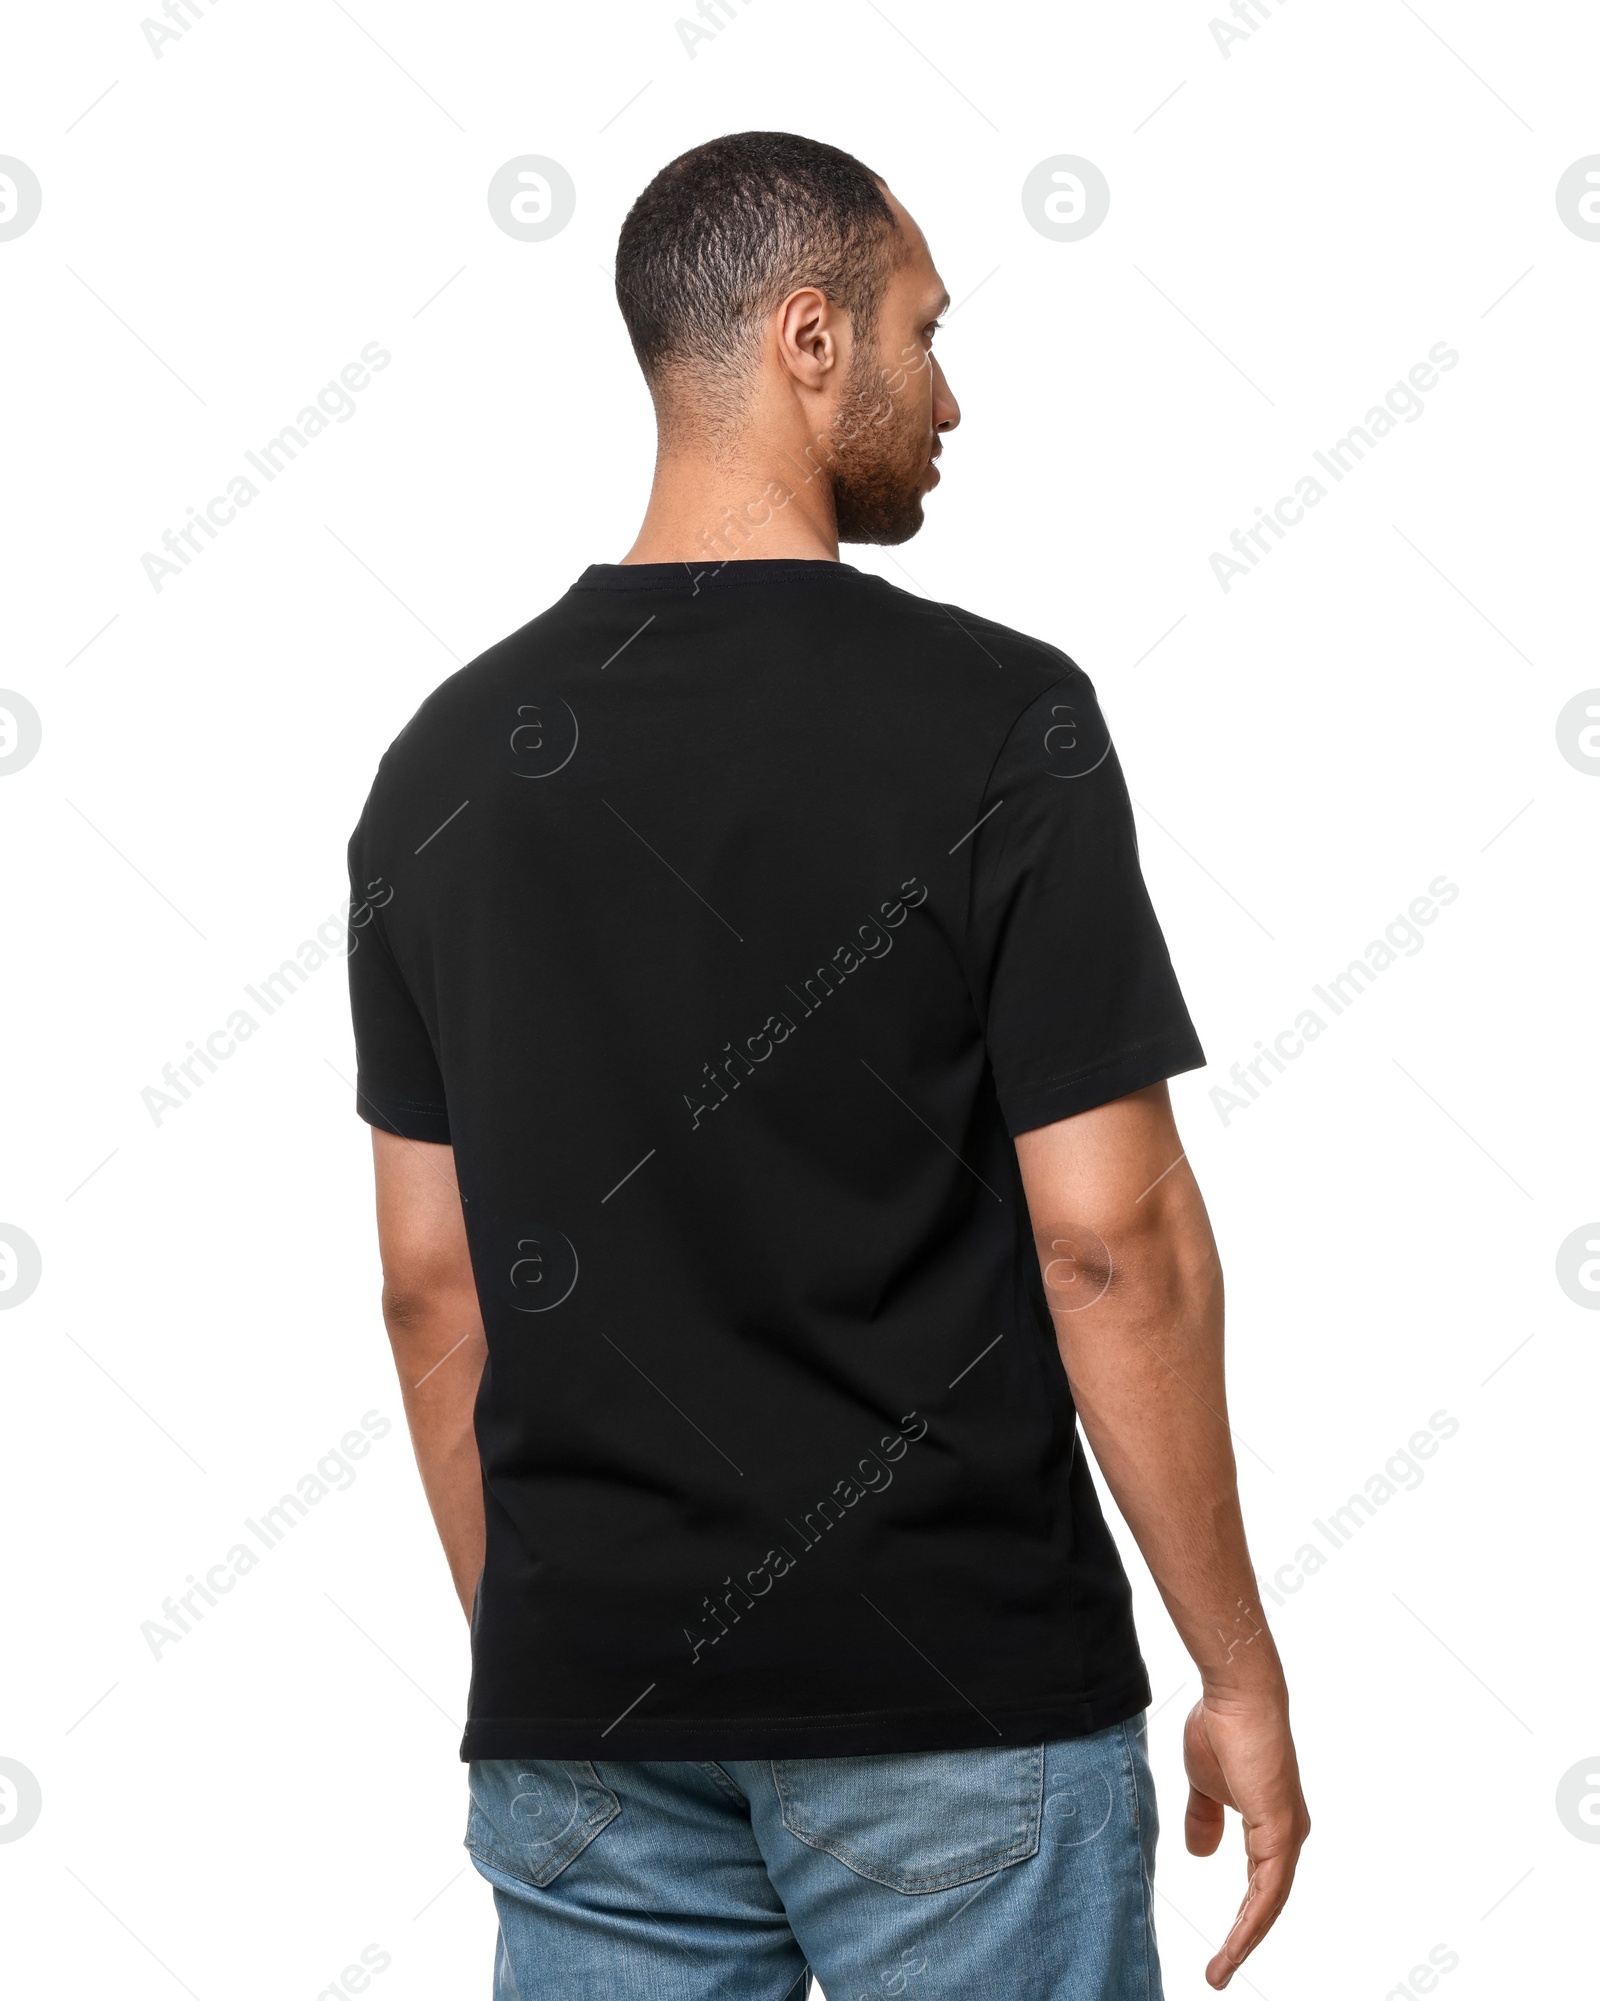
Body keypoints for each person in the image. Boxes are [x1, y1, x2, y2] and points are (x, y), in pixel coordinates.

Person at [346, 129, 1309, 2001]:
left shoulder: (444, 765)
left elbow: (428, 1280)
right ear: (809, 340)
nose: (951, 395)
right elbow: (1110, 1240)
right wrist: (1239, 1666)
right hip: (955, 1695)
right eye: (921, 331)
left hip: (585, 1724)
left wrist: (567, 1663)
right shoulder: (997, 720)